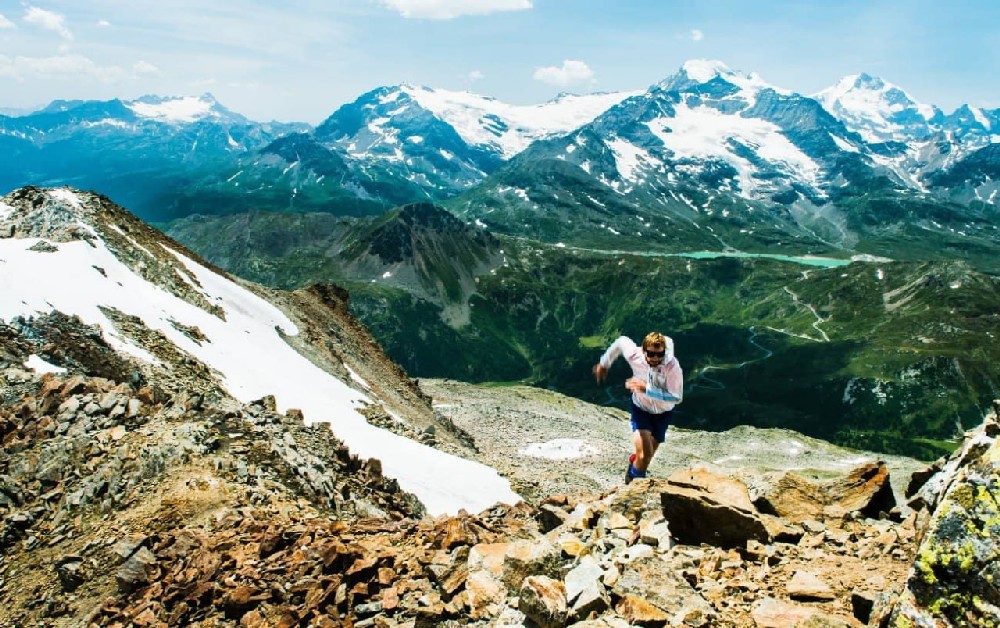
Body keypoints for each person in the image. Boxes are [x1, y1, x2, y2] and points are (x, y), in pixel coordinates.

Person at [592, 332, 683, 484]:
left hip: (663, 414)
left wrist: (647, 389)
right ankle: (633, 487)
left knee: (646, 458)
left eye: (659, 354)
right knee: (645, 455)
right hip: (641, 409)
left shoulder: (672, 366)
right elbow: (621, 342)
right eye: (651, 354)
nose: (655, 358)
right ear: (644, 351)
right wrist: (604, 364)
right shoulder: (635, 355)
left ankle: (634, 464)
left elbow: (677, 397)